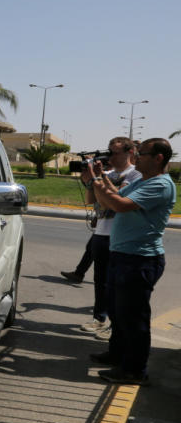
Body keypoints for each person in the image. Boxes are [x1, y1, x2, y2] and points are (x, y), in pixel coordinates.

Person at [87, 138, 176, 385]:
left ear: (158, 158)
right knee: (117, 311)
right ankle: (117, 356)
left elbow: (120, 205)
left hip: (140, 260)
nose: (136, 158)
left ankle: (135, 370)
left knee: (134, 318)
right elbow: (111, 198)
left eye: (142, 153)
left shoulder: (159, 184)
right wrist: (99, 177)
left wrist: (95, 179)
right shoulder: (144, 181)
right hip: (123, 256)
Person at [73, 138, 141, 339]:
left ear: (129, 152)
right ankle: (99, 318)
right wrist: (88, 179)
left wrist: (98, 176)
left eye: (115, 152)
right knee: (100, 281)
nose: (110, 156)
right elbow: (91, 201)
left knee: (118, 284)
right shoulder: (108, 174)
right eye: (109, 151)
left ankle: (114, 324)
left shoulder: (135, 174)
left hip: (120, 236)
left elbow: (116, 197)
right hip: (101, 234)